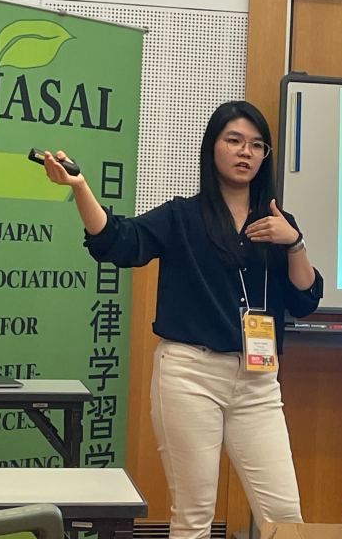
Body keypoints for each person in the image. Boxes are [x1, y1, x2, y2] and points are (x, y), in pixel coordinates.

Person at [41, 100, 322, 539]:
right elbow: (118, 241)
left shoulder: (277, 223)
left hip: (258, 382)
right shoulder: (182, 216)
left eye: (256, 145)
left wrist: (295, 242)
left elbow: (305, 300)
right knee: (194, 516)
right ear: (212, 147)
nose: (245, 152)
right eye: (234, 140)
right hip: (191, 375)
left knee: (285, 515)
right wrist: (79, 187)